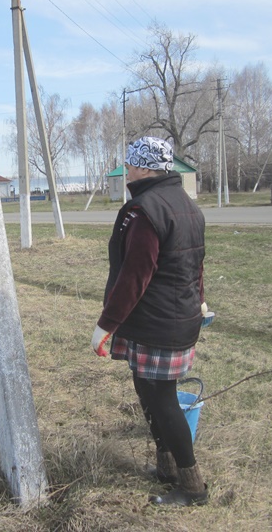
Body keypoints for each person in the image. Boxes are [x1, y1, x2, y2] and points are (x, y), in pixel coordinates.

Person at [91, 137, 209, 507]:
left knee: (162, 400)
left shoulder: (145, 210)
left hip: (158, 322)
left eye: (130, 164)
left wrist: (106, 323)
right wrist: (202, 299)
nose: (126, 170)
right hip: (175, 316)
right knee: (150, 393)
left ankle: (192, 487)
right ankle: (167, 466)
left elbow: (134, 276)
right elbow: (195, 262)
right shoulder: (187, 205)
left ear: (144, 168)